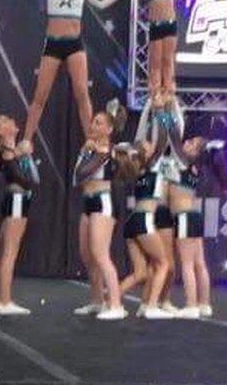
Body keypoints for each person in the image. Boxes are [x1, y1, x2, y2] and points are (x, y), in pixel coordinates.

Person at [5, 0, 124, 142]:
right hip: (53, 44)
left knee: (82, 95)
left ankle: (90, 142)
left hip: (75, 45)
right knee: (40, 96)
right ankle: (27, 140)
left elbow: (103, 3)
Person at [165, 102, 227, 319]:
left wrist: (166, 111)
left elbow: (172, 135)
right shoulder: (194, 166)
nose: (185, 143)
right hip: (193, 215)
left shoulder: (184, 161)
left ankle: (191, 304)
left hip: (184, 216)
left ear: (193, 151)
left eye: (190, 142)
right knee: (200, 263)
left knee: (187, 264)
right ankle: (204, 303)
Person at [114, 106, 173, 320]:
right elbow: (165, 138)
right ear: (146, 154)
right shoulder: (152, 166)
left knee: (141, 272)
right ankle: (150, 307)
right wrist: (162, 111)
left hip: (133, 221)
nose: (151, 144)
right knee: (163, 263)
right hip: (144, 220)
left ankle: (111, 299)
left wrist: (151, 110)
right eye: (148, 146)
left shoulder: (138, 170)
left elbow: (155, 142)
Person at [72, 100, 128, 320]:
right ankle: (96, 301)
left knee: (101, 255)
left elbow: (87, 172)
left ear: (109, 129)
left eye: (98, 123)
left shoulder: (110, 153)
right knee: (87, 256)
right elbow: (76, 177)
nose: (93, 126)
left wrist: (95, 154)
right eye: (93, 122)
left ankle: (115, 304)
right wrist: (86, 152)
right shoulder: (88, 148)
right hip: (87, 202)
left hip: (103, 202)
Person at [0, 115, 39, 315]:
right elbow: (24, 180)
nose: (12, 121)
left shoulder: (12, 151)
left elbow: (35, 178)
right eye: (7, 121)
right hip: (17, 201)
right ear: (2, 132)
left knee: (2, 251)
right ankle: (5, 301)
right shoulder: (8, 152)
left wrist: (26, 155)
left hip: (16, 201)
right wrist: (20, 153)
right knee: (9, 251)